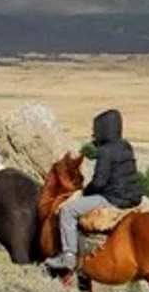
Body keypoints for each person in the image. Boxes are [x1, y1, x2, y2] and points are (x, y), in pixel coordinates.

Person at [44, 108, 143, 271]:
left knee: (68, 211)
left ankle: (68, 256)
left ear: (104, 129)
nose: (95, 134)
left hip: (113, 199)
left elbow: (99, 183)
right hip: (133, 197)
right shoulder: (126, 146)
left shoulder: (106, 151)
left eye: (97, 130)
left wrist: (84, 192)